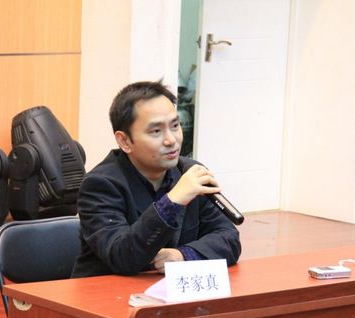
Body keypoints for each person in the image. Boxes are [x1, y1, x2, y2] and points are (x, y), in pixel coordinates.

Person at [71, 81, 241, 278]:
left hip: (169, 290)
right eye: (156, 131)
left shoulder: (189, 172)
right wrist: (172, 201)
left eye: (175, 126)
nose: (171, 140)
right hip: (106, 291)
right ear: (124, 141)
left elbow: (229, 239)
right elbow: (122, 256)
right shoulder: (100, 185)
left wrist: (184, 255)